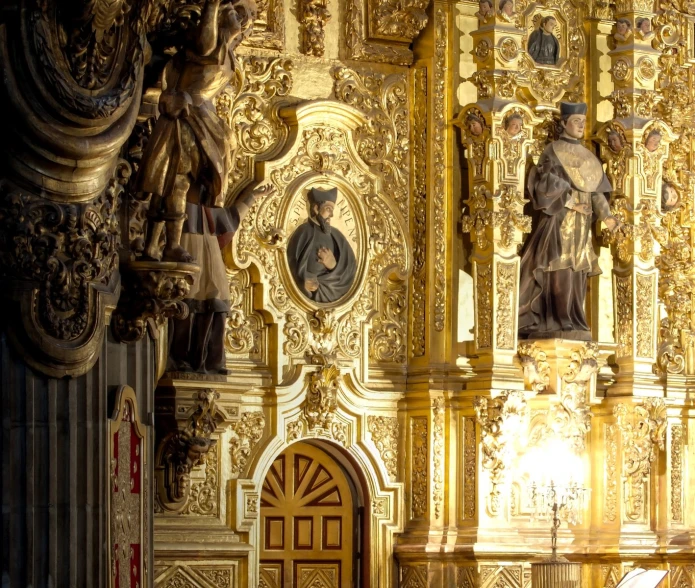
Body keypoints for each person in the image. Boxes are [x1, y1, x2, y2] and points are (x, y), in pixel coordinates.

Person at [136, 0, 257, 262]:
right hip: (187, 116)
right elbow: (203, 43)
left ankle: (152, 246)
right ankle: (170, 245)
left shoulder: (225, 50)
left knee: (171, 183)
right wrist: (213, 6)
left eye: (247, 18)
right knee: (175, 182)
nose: (244, 22)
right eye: (238, 15)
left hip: (201, 120)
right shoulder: (211, 42)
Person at [518, 102, 620, 340]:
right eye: (576, 121)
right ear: (564, 123)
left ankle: (574, 319)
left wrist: (607, 216)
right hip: (560, 221)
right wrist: (572, 203)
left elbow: (596, 192)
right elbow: (544, 182)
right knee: (559, 266)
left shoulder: (589, 157)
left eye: (583, 122)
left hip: (582, 226)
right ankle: (556, 319)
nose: (581, 126)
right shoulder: (553, 150)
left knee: (577, 270)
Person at [168, 182, 276, 374]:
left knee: (218, 303)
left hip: (210, 259)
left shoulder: (207, 213)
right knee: (188, 304)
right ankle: (182, 359)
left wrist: (252, 197)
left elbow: (230, 218)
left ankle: (212, 361)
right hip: (189, 251)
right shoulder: (179, 207)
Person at [287, 187, 357, 303]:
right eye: (328, 209)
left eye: (332, 210)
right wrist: (303, 281)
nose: (332, 215)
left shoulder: (337, 236)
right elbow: (289, 263)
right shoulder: (303, 231)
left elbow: (351, 270)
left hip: (333, 294)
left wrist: (334, 266)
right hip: (305, 296)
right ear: (315, 208)